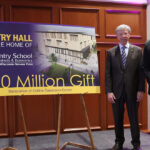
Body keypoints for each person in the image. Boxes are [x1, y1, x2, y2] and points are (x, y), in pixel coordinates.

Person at [105, 24, 145, 150]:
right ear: (117, 36)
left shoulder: (138, 51)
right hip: (116, 92)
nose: (123, 36)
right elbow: (108, 74)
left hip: (133, 91)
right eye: (121, 33)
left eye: (126, 33)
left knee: (134, 119)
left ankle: (136, 144)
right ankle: (119, 142)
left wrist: (141, 90)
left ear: (130, 34)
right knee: (117, 118)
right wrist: (109, 91)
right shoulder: (111, 53)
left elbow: (141, 72)